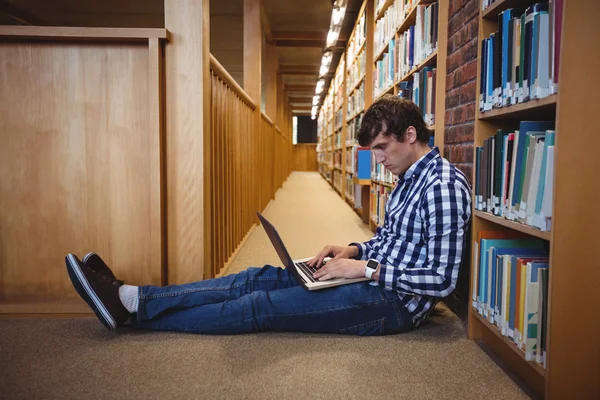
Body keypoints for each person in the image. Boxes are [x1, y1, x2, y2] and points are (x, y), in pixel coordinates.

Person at [65, 95, 472, 335]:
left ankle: (134, 315)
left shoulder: (443, 187)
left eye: (382, 148)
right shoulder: (407, 177)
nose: (378, 160)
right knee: (255, 277)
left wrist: (363, 271)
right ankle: (135, 297)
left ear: (411, 136)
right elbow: (393, 243)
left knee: (259, 307)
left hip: (393, 304)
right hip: (372, 277)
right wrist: (352, 249)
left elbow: (441, 279)